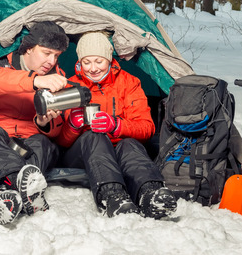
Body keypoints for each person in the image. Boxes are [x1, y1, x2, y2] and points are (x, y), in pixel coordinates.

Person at [56, 31, 178, 219]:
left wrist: (116, 125)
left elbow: (147, 128)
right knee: (93, 136)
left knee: (129, 143)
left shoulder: (129, 83)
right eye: (86, 62)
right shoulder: (69, 86)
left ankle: (151, 192)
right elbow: (60, 142)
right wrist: (72, 126)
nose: (93, 68)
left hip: (120, 149)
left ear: (109, 59)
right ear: (79, 62)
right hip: (83, 153)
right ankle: (112, 196)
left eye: (99, 61)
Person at [0, 21, 69, 225]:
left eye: (56, 55)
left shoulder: (57, 77)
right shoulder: (1, 63)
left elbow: (57, 131)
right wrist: (34, 80)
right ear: (29, 48)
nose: (51, 61)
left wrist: (44, 123)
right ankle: (22, 191)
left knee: (44, 144)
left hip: (32, 134)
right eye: (46, 53)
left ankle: (6, 190)